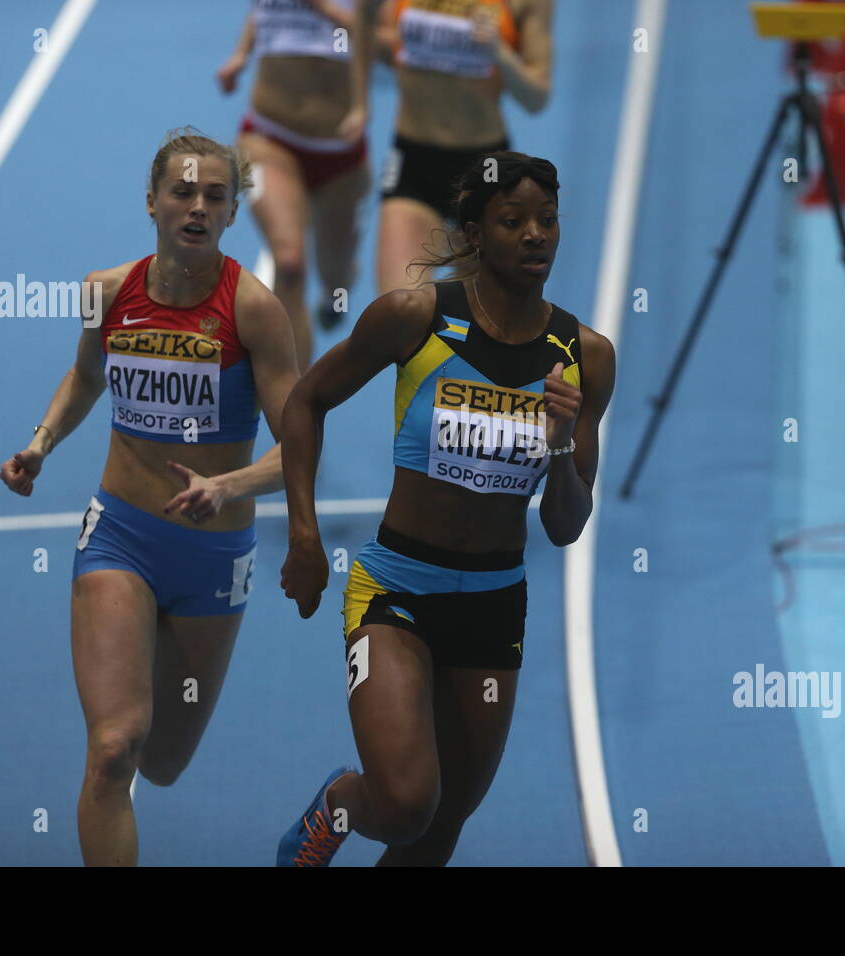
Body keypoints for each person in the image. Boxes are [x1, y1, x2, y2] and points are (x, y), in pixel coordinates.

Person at [276, 151, 615, 866]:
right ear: (473, 233)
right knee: (403, 805)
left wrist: (558, 448)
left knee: (438, 832)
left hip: (494, 604)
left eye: (548, 221)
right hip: (398, 589)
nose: (536, 236)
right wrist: (304, 538)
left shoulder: (585, 356)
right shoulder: (416, 317)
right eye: (513, 220)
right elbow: (306, 401)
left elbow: (564, 526)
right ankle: (339, 802)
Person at [0, 129, 299, 866]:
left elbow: (302, 449)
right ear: (152, 202)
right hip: (120, 536)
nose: (197, 206)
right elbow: (86, 378)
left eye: (215, 195)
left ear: (232, 212)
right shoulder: (108, 292)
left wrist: (226, 484)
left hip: (214, 555)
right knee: (113, 749)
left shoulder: (253, 311)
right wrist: (40, 441)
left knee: (163, 762)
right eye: (182, 192)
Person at [344, 0, 553, 295]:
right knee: (400, 307)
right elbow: (365, 14)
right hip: (413, 162)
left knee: (477, 323)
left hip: (485, 174)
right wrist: (359, 103)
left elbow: (537, 97)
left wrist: (500, 54)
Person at [218, 0, 370, 371]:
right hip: (270, 137)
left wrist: (326, 9)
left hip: (340, 153)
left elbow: (383, 43)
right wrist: (240, 54)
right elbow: (263, 12)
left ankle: (338, 288)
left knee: (334, 276)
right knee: (289, 264)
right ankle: (294, 403)